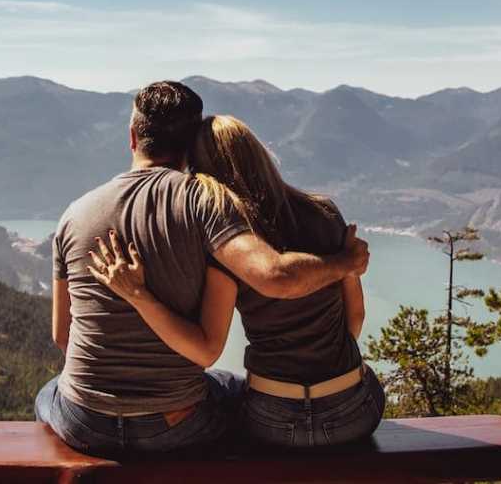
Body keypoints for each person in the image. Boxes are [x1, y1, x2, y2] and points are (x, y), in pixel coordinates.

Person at [35, 82, 370, 458]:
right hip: (176, 423)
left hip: (84, 421)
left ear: (132, 137)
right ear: (191, 144)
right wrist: (346, 263)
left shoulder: (73, 214)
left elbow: (63, 336)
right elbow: (266, 287)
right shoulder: (205, 204)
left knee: (49, 392)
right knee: (227, 386)